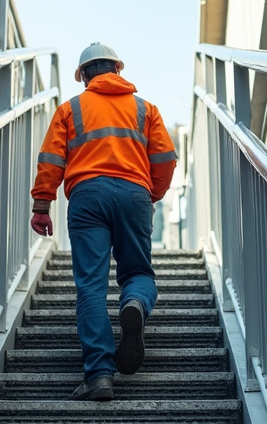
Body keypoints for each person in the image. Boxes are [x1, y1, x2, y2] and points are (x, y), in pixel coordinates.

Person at [29, 42, 178, 401]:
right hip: (134, 194)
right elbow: (167, 159)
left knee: (91, 288)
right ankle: (135, 305)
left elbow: (51, 158)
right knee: (138, 273)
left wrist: (41, 204)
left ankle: (99, 375)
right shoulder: (146, 109)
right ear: (117, 70)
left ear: (84, 78)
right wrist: (151, 195)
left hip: (87, 197)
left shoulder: (70, 109)